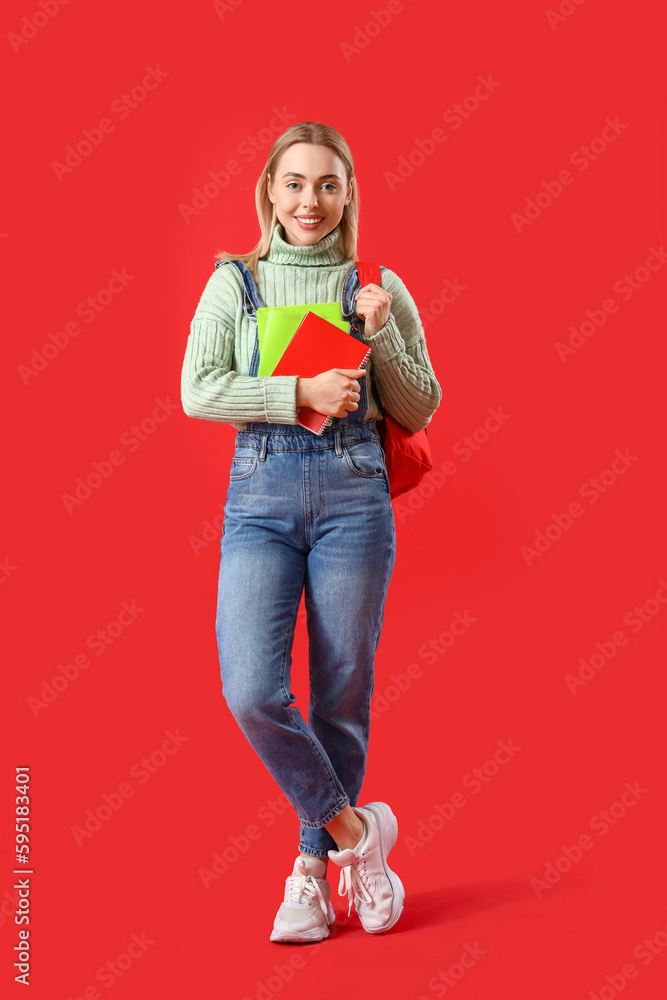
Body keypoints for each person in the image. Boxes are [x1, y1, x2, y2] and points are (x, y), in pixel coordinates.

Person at [181, 121, 442, 943]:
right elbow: (197, 389)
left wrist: (385, 325)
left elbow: (422, 405)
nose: (309, 201)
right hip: (258, 492)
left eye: (328, 185)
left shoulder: (377, 284)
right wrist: (297, 388)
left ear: (348, 194)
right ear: (269, 190)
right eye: (294, 183)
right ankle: (358, 837)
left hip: (354, 493)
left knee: (340, 692)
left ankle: (308, 874)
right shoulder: (236, 283)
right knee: (252, 690)